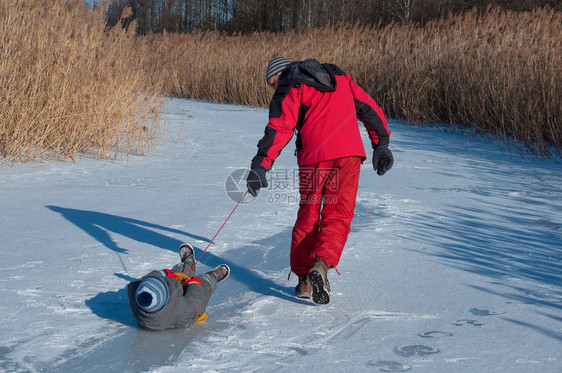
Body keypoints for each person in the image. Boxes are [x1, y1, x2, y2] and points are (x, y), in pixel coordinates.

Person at [247, 56, 393, 305]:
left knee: (309, 214)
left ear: (281, 73)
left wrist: (261, 164)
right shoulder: (340, 78)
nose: (274, 89)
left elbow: (280, 127)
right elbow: (369, 108)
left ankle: (305, 279)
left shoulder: (291, 84)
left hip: (314, 157)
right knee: (338, 215)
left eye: (273, 84)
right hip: (348, 153)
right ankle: (322, 266)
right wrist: (381, 143)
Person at [128, 243, 230, 330]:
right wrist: (194, 284)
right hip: (187, 314)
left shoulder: (136, 292)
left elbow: (142, 281)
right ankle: (211, 277)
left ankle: (187, 265)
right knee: (202, 286)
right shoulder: (181, 309)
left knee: (178, 273)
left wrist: (163, 273)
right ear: (167, 295)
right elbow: (196, 303)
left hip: (167, 302)